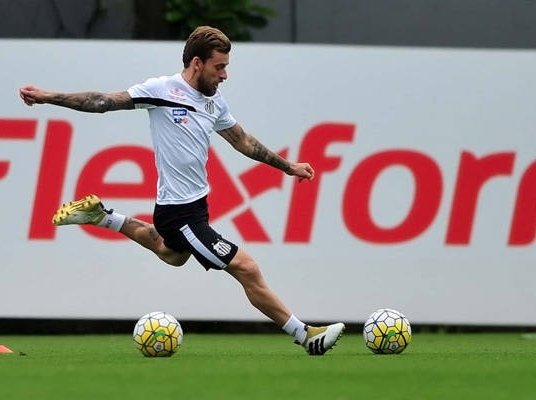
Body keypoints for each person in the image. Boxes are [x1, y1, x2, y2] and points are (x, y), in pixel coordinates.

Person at [19, 26, 344, 355]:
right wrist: (49, 97)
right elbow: (103, 101)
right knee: (246, 268)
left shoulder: (214, 102)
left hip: (196, 207)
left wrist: (287, 166)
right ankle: (306, 335)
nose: (225, 75)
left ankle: (103, 217)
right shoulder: (162, 90)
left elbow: (242, 140)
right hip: (179, 213)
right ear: (197, 63)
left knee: (172, 254)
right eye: (220, 66)